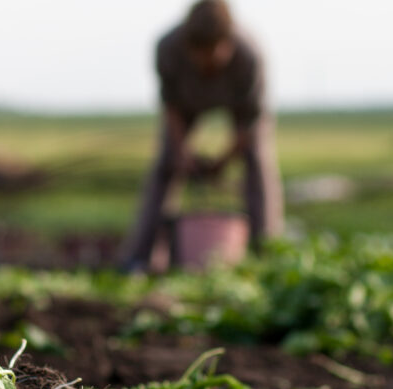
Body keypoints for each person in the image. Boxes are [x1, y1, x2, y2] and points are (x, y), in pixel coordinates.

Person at [119, 0, 283, 272]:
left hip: (240, 108)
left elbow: (251, 123)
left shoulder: (250, 55)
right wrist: (181, 151)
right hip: (186, 103)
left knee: (258, 162)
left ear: (228, 41)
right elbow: (170, 106)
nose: (205, 63)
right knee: (165, 164)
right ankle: (139, 255)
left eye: (213, 53)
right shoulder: (168, 48)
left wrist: (224, 160)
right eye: (198, 54)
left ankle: (266, 250)